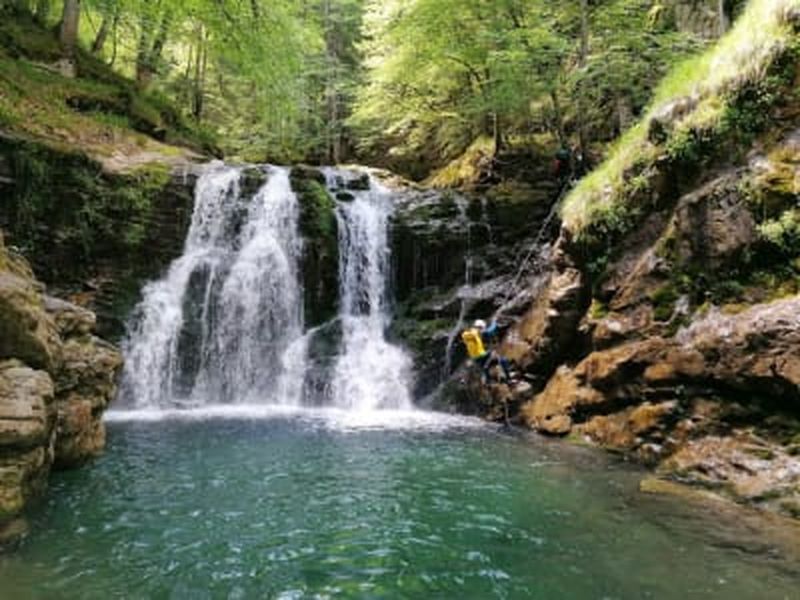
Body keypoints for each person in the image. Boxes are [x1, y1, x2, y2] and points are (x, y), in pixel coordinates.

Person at [461, 319, 512, 384]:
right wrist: (494, 322)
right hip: (481, 356)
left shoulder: (470, 335)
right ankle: (508, 378)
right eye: (482, 328)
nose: (482, 330)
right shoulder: (475, 332)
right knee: (502, 360)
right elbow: (489, 331)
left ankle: (488, 378)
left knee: (487, 363)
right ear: (479, 327)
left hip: (477, 358)